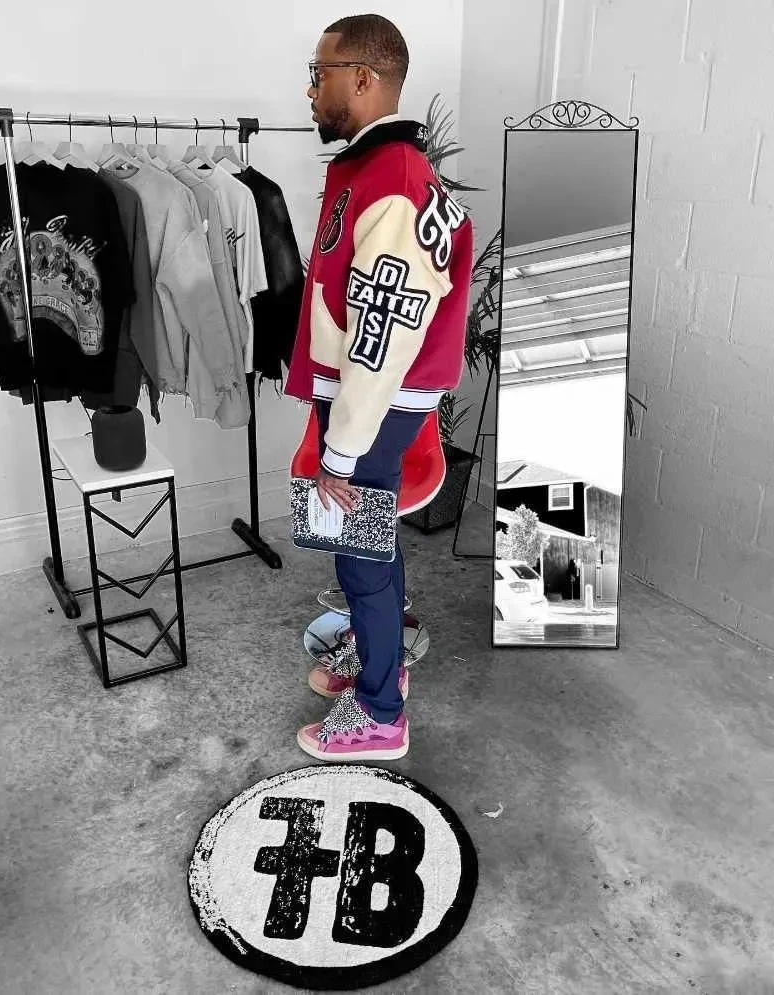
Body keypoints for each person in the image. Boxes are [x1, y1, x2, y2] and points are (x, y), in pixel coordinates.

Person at [284, 13, 474, 762]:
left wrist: (341, 450)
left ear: (362, 78)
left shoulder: (391, 182)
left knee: (359, 557)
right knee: (371, 545)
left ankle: (380, 713)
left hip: (375, 405)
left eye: (319, 73)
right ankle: (379, 662)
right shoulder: (380, 170)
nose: (310, 90)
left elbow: (382, 339)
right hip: (375, 404)